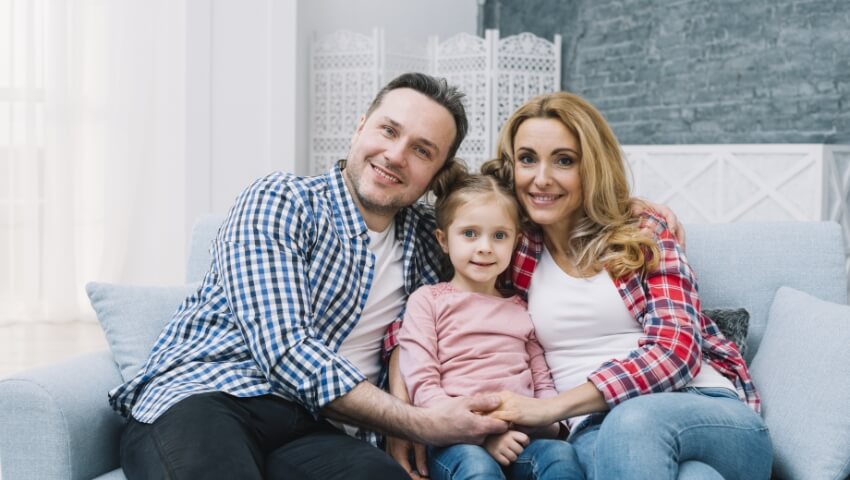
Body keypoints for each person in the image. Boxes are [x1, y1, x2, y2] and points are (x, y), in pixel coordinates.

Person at [108, 72, 510, 480]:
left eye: (422, 150)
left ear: (438, 172)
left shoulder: (434, 240)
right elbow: (285, 348)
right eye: (388, 130)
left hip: (315, 430)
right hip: (210, 395)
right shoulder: (283, 200)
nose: (395, 155)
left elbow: (513, 242)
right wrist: (417, 422)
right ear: (360, 127)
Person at [480, 92, 773, 479]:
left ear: (592, 167)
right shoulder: (511, 249)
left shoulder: (643, 232)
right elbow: (456, 235)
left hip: (704, 408)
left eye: (564, 160)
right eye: (527, 159)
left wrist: (549, 408)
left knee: (632, 422)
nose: (542, 178)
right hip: (593, 429)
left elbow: (676, 351)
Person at [398, 171, 582, 480]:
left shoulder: (521, 307)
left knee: (560, 456)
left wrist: (549, 422)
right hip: (453, 438)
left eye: (499, 236)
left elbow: (542, 382)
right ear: (443, 240)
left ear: (516, 241)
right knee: (477, 467)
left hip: (522, 436)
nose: (485, 247)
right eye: (470, 233)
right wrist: (483, 435)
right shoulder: (428, 301)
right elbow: (423, 384)